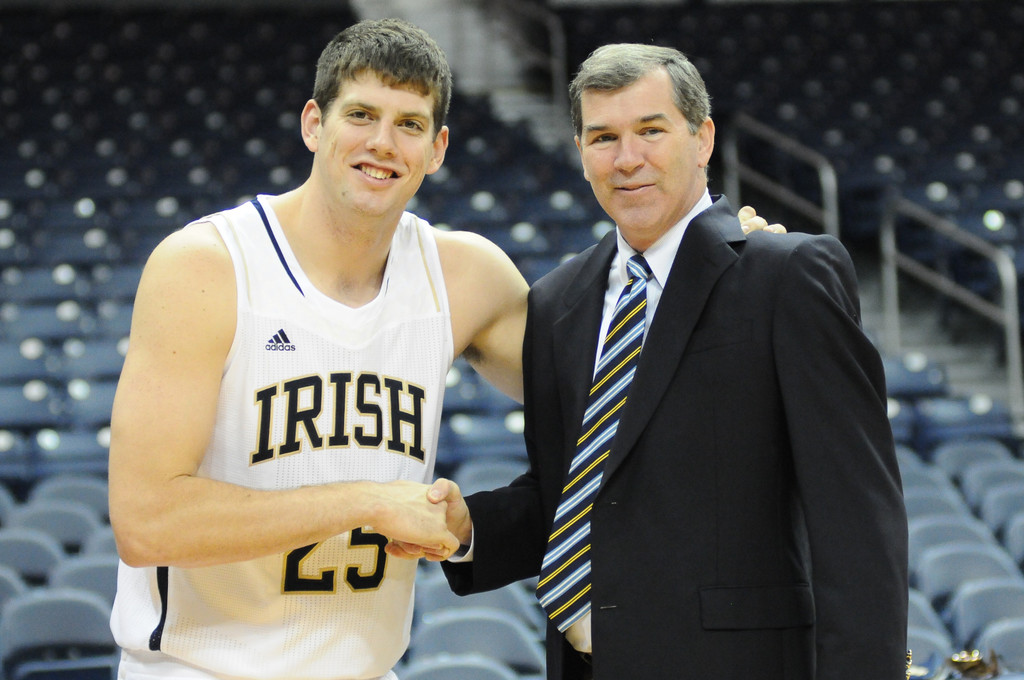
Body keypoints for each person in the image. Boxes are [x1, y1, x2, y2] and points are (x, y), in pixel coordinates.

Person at [421, 43, 909, 680]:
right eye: (603, 137)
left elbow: (858, 518)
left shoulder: (784, 275)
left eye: (651, 131)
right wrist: (469, 529)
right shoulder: (558, 302)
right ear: (579, 150)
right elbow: (572, 495)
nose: (628, 159)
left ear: (702, 138)